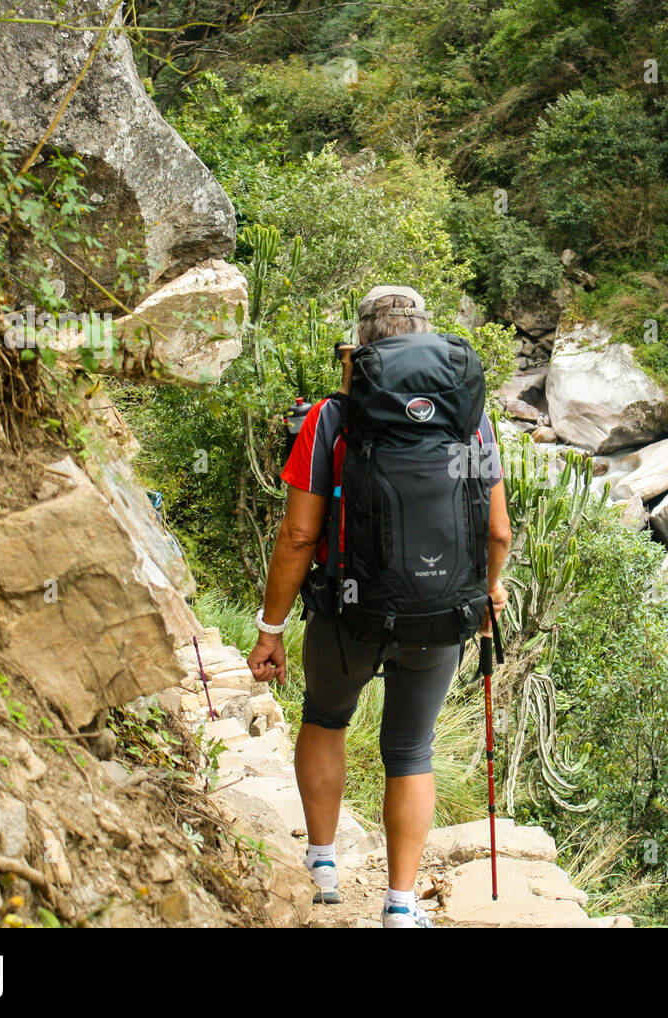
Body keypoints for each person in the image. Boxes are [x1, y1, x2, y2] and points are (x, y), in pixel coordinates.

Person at [246, 285, 512, 928]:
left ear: (360, 344)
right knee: (411, 750)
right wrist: (489, 593)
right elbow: (498, 530)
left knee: (326, 718)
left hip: (347, 612)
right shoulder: (469, 418)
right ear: (425, 334)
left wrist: (270, 628)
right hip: (441, 613)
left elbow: (299, 536)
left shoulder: (329, 419)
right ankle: (399, 905)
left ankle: (324, 861)